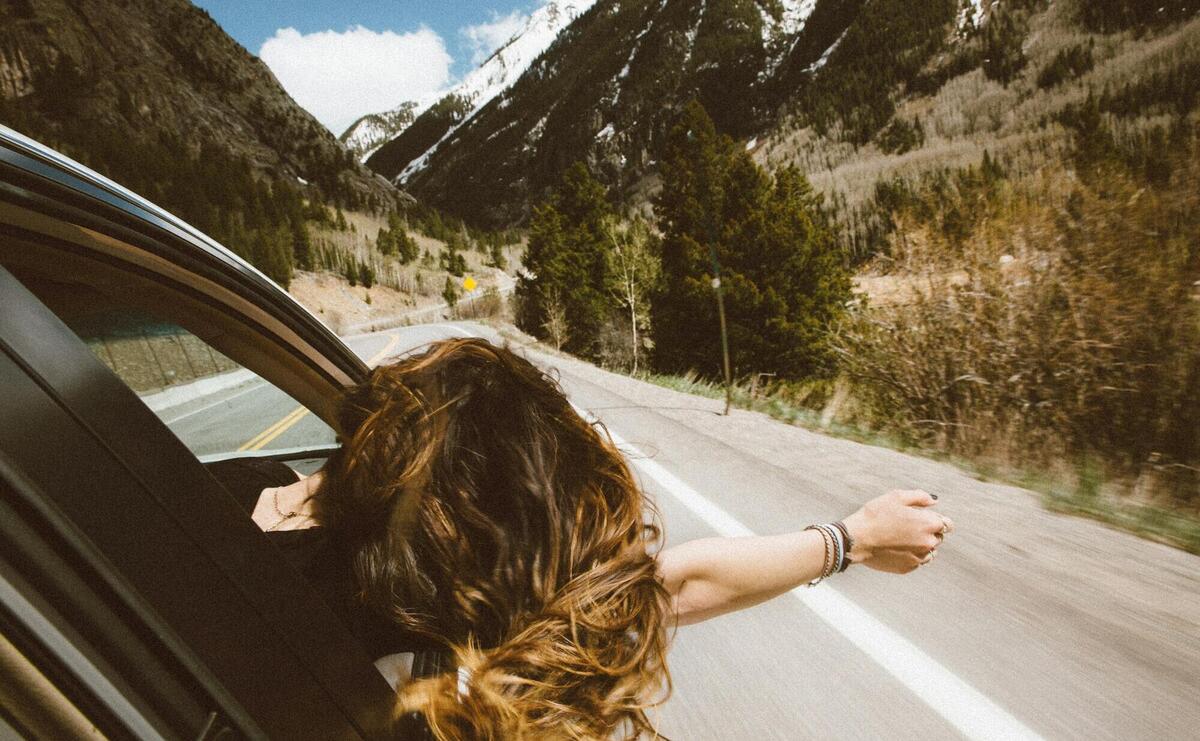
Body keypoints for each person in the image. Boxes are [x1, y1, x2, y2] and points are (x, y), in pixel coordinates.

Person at [216, 338, 952, 739]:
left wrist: (848, 537)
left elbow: (662, 588)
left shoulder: (207, 522)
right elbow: (666, 589)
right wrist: (848, 539)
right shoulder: (429, 633)